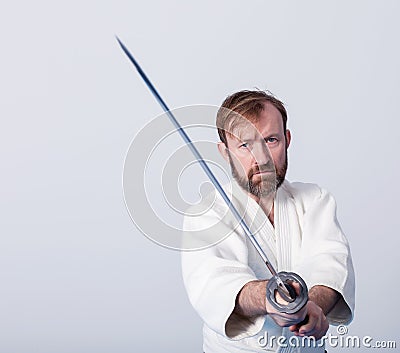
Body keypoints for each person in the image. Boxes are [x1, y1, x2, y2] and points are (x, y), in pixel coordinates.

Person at [181, 90, 355, 353]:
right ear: (225, 152)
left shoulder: (315, 200)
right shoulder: (206, 214)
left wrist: (313, 305)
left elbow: (330, 261)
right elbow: (213, 283)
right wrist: (268, 298)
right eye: (244, 145)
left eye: (271, 140)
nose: (261, 158)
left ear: (287, 140)